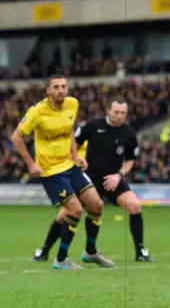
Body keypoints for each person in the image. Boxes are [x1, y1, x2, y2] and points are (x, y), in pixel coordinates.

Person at [12, 75, 111, 270]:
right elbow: (16, 137)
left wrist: (75, 156)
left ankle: (90, 251)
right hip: (50, 171)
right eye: (56, 87)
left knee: (97, 205)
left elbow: (69, 134)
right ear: (48, 90)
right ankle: (61, 259)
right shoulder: (37, 112)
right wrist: (31, 164)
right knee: (75, 209)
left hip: (70, 166)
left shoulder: (72, 104)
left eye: (63, 86)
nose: (60, 90)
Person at [73, 98, 153, 262]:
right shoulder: (93, 125)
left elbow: (130, 160)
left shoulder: (129, 133)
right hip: (89, 178)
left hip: (112, 180)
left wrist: (118, 175)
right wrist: (76, 162)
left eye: (123, 113)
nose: (119, 116)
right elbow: (73, 144)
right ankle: (45, 251)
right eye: (116, 112)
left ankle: (140, 251)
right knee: (69, 212)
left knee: (135, 206)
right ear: (108, 110)